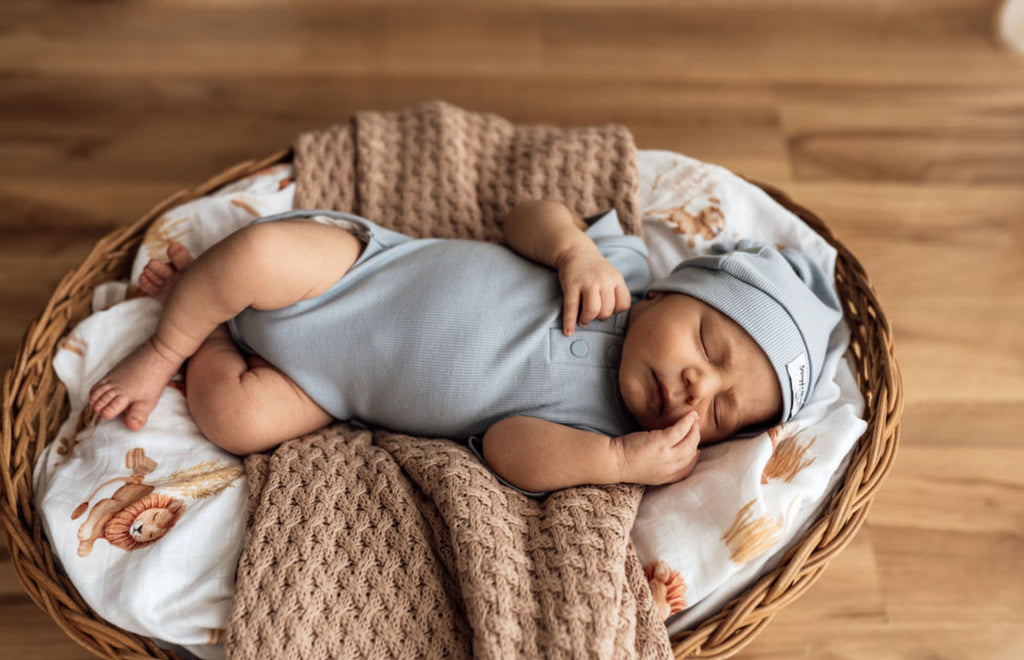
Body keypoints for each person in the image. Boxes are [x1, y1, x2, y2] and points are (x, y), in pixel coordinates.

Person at [88, 200, 841, 497]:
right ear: (677, 290)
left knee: (234, 419)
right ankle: (163, 351)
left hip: (326, 388)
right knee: (256, 255)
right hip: (360, 271)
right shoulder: (620, 273)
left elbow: (506, 448)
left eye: (721, 409)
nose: (692, 384)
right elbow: (527, 217)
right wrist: (573, 249)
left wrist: (614, 465)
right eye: (707, 342)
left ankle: (210, 331)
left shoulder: (606, 434)